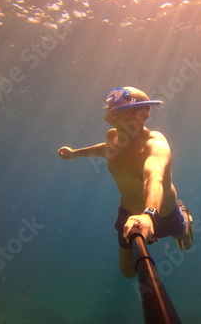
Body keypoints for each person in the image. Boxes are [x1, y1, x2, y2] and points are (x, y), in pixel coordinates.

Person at [58, 87, 193, 278]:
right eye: (110, 107)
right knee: (128, 272)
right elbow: (105, 149)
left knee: (183, 241)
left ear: (143, 115)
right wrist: (74, 153)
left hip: (163, 212)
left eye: (119, 109)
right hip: (128, 212)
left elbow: (154, 177)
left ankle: (184, 217)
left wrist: (149, 214)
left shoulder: (155, 144)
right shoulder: (112, 137)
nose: (111, 112)